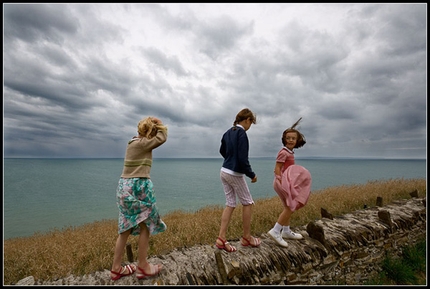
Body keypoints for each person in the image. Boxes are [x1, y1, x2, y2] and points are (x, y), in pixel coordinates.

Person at [110, 116, 168, 281]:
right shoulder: (143, 143)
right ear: (150, 133)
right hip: (139, 187)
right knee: (146, 225)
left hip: (123, 187)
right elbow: (162, 138)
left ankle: (116, 268)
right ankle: (143, 265)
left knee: (125, 229)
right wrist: (160, 124)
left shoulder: (132, 143)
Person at [215, 108, 261, 253]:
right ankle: (247, 237)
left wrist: (230, 159)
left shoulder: (227, 132)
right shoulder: (241, 133)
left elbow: (222, 151)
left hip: (224, 171)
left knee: (230, 203)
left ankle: (221, 238)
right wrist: (251, 174)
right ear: (247, 120)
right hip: (234, 173)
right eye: (250, 123)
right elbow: (242, 159)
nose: (249, 127)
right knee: (248, 202)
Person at [267, 117, 312, 248]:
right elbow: (277, 168)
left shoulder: (289, 152)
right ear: (284, 139)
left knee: (288, 205)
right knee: (290, 207)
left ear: (297, 140)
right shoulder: (283, 152)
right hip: (282, 182)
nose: (291, 140)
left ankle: (286, 231)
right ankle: (276, 231)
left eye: (293, 138)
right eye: (288, 138)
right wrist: (281, 181)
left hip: (285, 182)